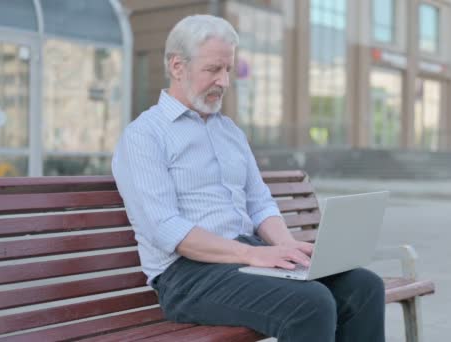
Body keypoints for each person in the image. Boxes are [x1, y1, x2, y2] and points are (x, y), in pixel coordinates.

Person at [111, 15, 386, 341]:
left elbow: (259, 202)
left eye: (228, 69)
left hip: (244, 260)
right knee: (311, 304)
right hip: (186, 275)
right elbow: (165, 229)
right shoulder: (144, 135)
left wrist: (287, 247)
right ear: (177, 67)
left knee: (365, 287)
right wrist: (252, 254)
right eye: (214, 69)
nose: (225, 81)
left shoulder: (229, 132)